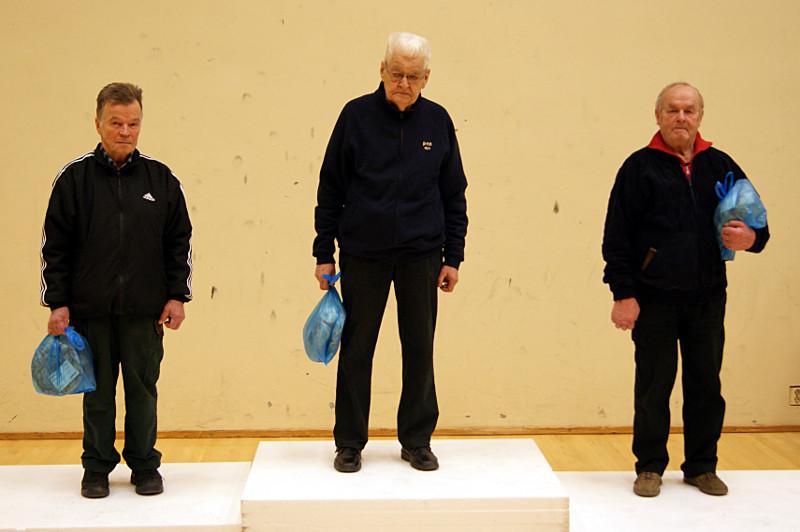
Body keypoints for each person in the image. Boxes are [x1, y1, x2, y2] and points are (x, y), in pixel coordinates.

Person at [602, 82, 769, 497]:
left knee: (706, 386)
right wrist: (623, 294)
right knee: (653, 386)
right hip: (653, 297)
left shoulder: (721, 165)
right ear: (658, 115)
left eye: (689, 110)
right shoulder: (638, 168)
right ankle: (649, 467)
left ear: (700, 116)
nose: (681, 117)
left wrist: (752, 238)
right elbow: (616, 238)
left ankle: (701, 466)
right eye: (672, 110)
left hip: (707, 297)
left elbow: (758, 223)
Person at [313, 32, 468, 473]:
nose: (403, 83)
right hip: (364, 253)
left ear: (426, 78)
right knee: (357, 348)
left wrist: (453, 256)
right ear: (381, 70)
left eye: (413, 76)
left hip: (423, 254)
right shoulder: (355, 116)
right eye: (396, 73)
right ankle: (349, 442)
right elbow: (330, 186)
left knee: (419, 347)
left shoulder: (438, 121)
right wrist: (324, 252)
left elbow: (454, 193)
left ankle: (417, 440)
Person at [40, 82, 193, 498]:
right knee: (98, 395)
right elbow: (55, 247)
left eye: (133, 123)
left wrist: (177, 296)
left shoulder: (161, 179)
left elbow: (179, 242)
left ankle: (145, 465)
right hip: (91, 312)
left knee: (143, 392)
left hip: (145, 312)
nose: (125, 131)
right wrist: (58, 304)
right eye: (116, 123)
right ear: (98, 123)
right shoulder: (74, 180)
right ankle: (96, 468)